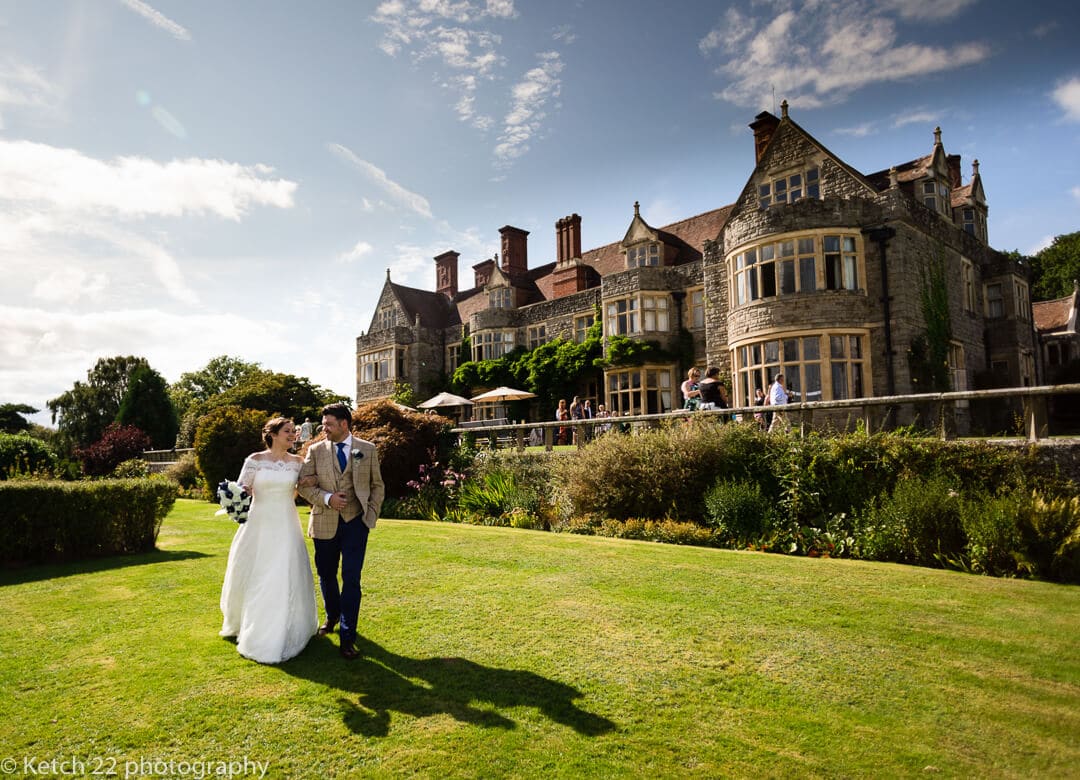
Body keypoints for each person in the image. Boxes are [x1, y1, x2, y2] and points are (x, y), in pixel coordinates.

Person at [219, 417, 318, 664]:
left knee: (284, 571)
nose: (293, 435)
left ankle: (289, 625)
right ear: (272, 434)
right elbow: (242, 489)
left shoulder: (298, 462)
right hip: (259, 524)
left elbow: (302, 489)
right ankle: (247, 622)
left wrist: (309, 483)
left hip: (286, 523)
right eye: (287, 431)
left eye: (294, 432)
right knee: (257, 571)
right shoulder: (255, 460)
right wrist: (239, 495)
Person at [297, 403, 385, 661]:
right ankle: (332, 615)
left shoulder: (367, 449)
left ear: (344, 424)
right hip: (324, 521)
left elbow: (377, 485)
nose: (324, 429)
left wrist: (371, 512)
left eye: (329, 424)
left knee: (352, 578)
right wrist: (326, 498)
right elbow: (302, 486)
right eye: (323, 424)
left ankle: (348, 637)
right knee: (326, 574)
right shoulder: (314, 450)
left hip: (356, 522)